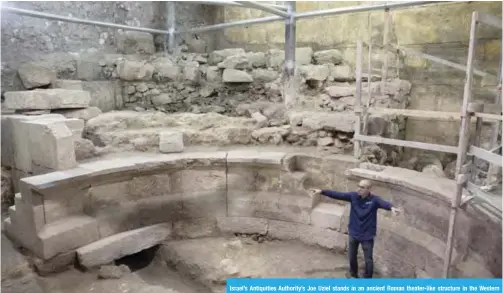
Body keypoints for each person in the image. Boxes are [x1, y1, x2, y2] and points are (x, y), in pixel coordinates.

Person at [309, 179, 401, 279]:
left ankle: (367, 279)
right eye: (358, 186)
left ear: (369, 189)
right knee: (352, 256)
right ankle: (353, 274)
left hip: (367, 235)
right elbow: (338, 194)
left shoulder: (374, 200)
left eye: (362, 187)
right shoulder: (353, 196)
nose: (359, 189)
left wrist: (392, 208)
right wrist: (322, 191)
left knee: (368, 260)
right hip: (354, 233)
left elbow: (384, 203)